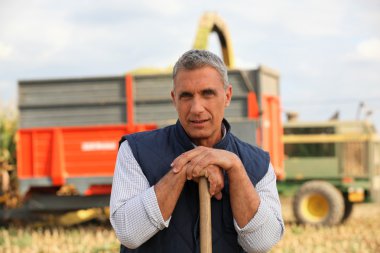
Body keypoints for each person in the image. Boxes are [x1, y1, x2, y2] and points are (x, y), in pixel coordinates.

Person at [110, 49, 284, 253]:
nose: (196, 108)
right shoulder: (136, 151)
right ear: (174, 99)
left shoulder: (258, 164)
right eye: (186, 96)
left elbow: (262, 242)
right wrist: (185, 169)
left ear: (227, 96)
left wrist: (235, 168)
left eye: (207, 94)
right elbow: (129, 233)